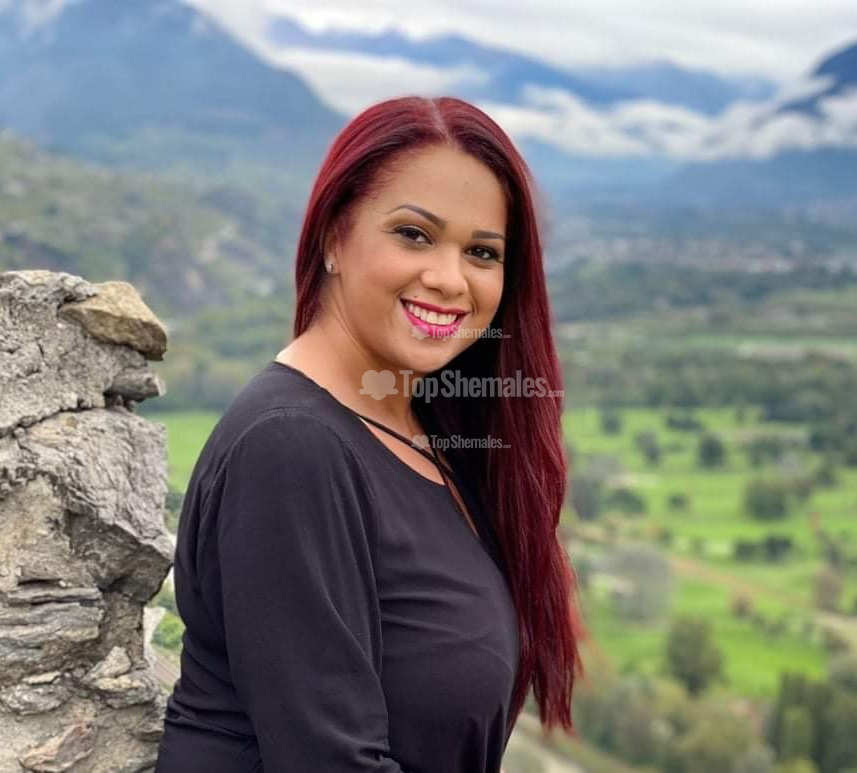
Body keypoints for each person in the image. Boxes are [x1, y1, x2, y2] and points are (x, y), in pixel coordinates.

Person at [154, 95, 587, 772]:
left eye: (482, 252)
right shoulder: (291, 448)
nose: (448, 279)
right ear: (334, 236)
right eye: (413, 234)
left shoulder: (423, 433)